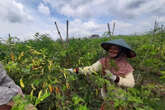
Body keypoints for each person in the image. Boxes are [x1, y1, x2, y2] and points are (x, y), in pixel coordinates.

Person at [67, 39, 136, 109]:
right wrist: (74, 70)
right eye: (110, 49)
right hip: (107, 98)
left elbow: (131, 83)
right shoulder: (104, 61)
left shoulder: (126, 66)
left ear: (121, 51)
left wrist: (115, 78)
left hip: (120, 100)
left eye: (115, 49)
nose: (112, 51)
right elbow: (91, 69)